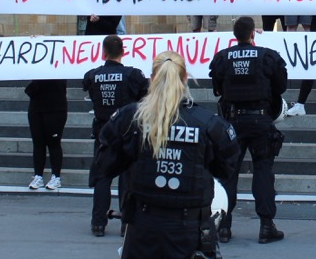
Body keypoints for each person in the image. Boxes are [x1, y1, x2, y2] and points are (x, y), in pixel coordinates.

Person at [92, 51, 240, 259]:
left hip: (143, 228)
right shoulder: (208, 124)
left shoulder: (130, 118)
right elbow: (226, 167)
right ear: (185, 78)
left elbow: (105, 165)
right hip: (189, 231)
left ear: (153, 79)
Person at [210, 16, 288, 244]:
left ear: (235, 35)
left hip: (232, 123)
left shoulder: (222, 58)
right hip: (260, 121)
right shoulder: (268, 56)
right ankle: (266, 226)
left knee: (228, 173)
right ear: (253, 33)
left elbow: (217, 89)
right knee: (263, 171)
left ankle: (224, 225)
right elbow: (281, 86)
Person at [83, 35, 149, 236]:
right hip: (129, 132)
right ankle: (126, 223)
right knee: (127, 178)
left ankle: (98, 223)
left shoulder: (92, 75)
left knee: (102, 177)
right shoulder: (133, 75)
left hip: (104, 132)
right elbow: (144, 98)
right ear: (124, 52)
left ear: (103, 53)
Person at [24, 78, 68, 191]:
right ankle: (38, 175)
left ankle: (56, 177)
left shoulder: (60, 70)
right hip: (36, 107)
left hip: (55, 108)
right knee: (38, 143)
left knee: (54, 143)